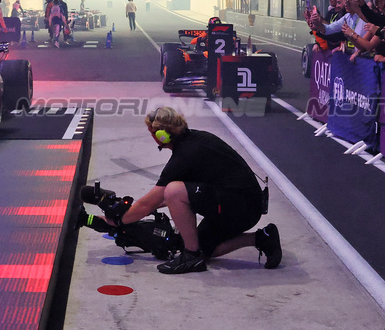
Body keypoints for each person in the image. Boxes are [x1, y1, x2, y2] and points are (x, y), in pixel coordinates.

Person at [105, 107, 281, 274]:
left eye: (152, 132)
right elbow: (157, 201)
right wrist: (131, 211)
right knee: (202, 246)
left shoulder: (185, 155)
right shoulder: (195, 139)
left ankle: (191, 256)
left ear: (162, 135)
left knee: (174, 191)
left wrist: (120, 221)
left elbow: (153, 202)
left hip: (239, 208)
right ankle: (262, 238)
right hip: (241, 203)